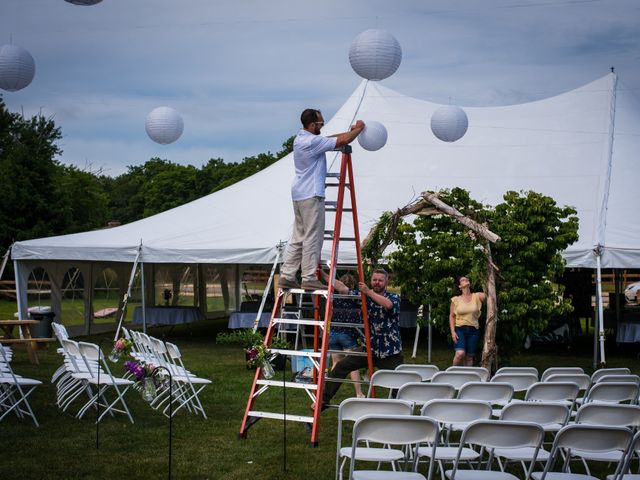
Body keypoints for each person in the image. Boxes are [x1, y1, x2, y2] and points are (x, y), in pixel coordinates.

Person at [278, 109, 365, 291]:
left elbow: (332, 138)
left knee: (298, 237)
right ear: (312, 125)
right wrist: (358, 130)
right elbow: (341, 141)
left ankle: (287, 275)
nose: (322, 126)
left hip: (299, 194)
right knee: (312, 237)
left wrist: (348, 133)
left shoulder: (301, 138)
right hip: (312, 194)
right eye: (320, 124)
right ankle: (309, 276)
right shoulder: (312, 141)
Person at [321, 268, 402, 405]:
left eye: (380, 280)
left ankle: (398, 407)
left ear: (386, 282)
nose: (377, 283)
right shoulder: (363, 298)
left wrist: (368, 292)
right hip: (368, 349)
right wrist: (323, 274)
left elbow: (388, 305)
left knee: (399, 383)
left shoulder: (393, 297)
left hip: (390, 352)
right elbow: (342, 288)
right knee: (340, 367)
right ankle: (323, 401)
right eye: (374, 280)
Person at [321, 271, 365, 398]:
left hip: (333, 333)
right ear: (351, 285)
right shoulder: (354, 298)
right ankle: (359, 393)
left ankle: (327, 391)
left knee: (336, 363)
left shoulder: (335, 298)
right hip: (347, 334)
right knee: (352, 364)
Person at [449, 275, 486, 366]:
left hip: (473, 330)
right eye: (463, 280)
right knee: (460, 353)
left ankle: (467, 378)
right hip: (460, 329)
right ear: (460, 286)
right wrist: (453, 332)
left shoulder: (477, 296)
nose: (466, 280)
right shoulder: (455, 299)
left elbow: (490, 294)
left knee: (469, 358)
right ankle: (452, 375)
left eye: (467, 279)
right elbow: (452, 316)